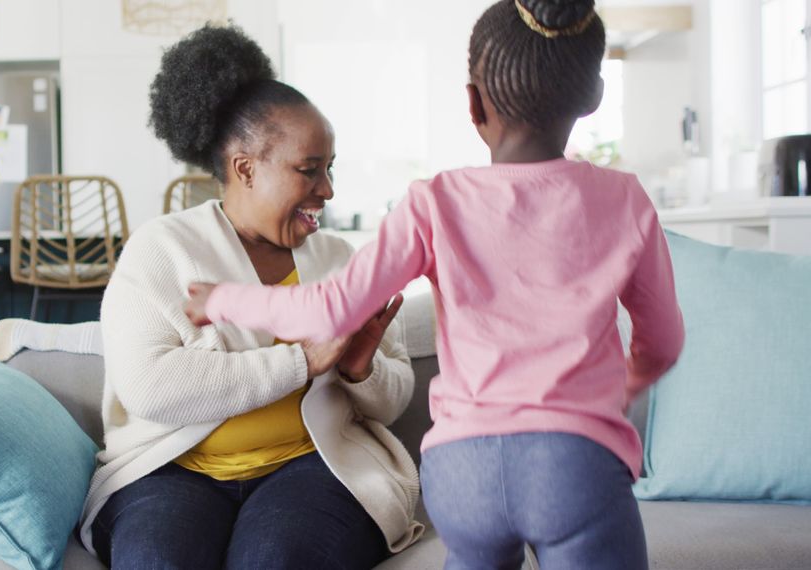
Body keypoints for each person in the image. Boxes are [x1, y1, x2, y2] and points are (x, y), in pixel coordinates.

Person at [185, 1, 686, 568]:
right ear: (594, 96)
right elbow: (663, 339)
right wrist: (623, 387)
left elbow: (331, 310)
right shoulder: (624, 199)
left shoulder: (434, 203)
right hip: (574, 466)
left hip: (461, 470)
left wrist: (223, 298)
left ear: (472, 101)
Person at [78, 24, 423, 569]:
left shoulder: (341, 259)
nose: (328, 190)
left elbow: (395, 395)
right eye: (309, 171)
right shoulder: (161, 250)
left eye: (329, 169)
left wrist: (360, 372)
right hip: (173, 471)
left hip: (312, 467)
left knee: (275, 560)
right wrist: (305, 360)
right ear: (245, 168)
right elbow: (150, 387)